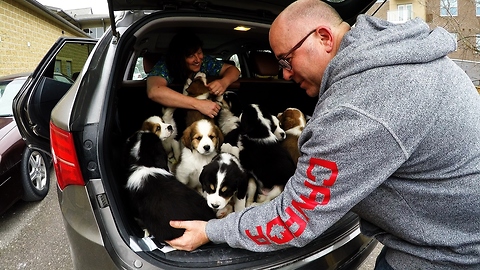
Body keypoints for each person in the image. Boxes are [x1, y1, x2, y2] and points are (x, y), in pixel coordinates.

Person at [166, 0, 480, 269]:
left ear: (324, 37)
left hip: (443, 257)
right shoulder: (405, 57)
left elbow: (291, 221)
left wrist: (211, 231)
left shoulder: (359, 106)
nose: (285, 74)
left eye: (286, 60)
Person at [146, 31, 240, 119]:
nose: (198, 60)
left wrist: (224, 82)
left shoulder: (206, 62)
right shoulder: (164, 66)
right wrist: (199, 104)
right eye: (191, 56)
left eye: (199, 53)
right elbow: (154, 91)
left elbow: (233, 70)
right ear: (179, 58)